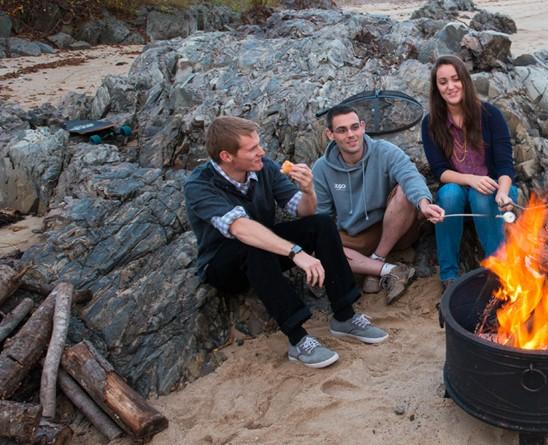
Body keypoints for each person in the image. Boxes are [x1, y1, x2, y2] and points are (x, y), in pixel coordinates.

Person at [185, 116, 388, 369]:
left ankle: (344, 316)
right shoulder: (199, 185)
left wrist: (308, 191)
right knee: (253, 244)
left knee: (321, 223)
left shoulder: (263, 168)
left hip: (266, 251)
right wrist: (296, 253)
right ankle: (298, 339)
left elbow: (303, 211)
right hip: (224, 266)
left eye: (259, 144)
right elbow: (241, 229)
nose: (262, 151)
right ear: (227, 156)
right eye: (253, 149)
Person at [313, 106, 444, 304]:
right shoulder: (321, 169)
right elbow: (321, 216)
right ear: (330, 134)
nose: (351, 135)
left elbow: (410, 176)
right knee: (318, 246)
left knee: (404, 191)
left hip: (393, 229)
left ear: (363, 127)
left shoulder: (384, 151)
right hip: (355, 236)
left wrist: (424, 203)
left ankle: (377, 259)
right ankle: (389, 270)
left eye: (354, 127)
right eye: (342, 130)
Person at [421, 55, 519, 288]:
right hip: (460, 186)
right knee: (448, 194)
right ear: (437, 88)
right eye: (443, 82)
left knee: (482, 194)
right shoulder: (431, 123)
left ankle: (499, 271)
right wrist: (471, 179)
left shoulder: (490, 115)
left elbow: (506, 166)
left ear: (465, 80)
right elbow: (439, 171)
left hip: (494, 189)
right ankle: (449, 276)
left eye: (455, 79)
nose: (451, 86)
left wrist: (503, 194)